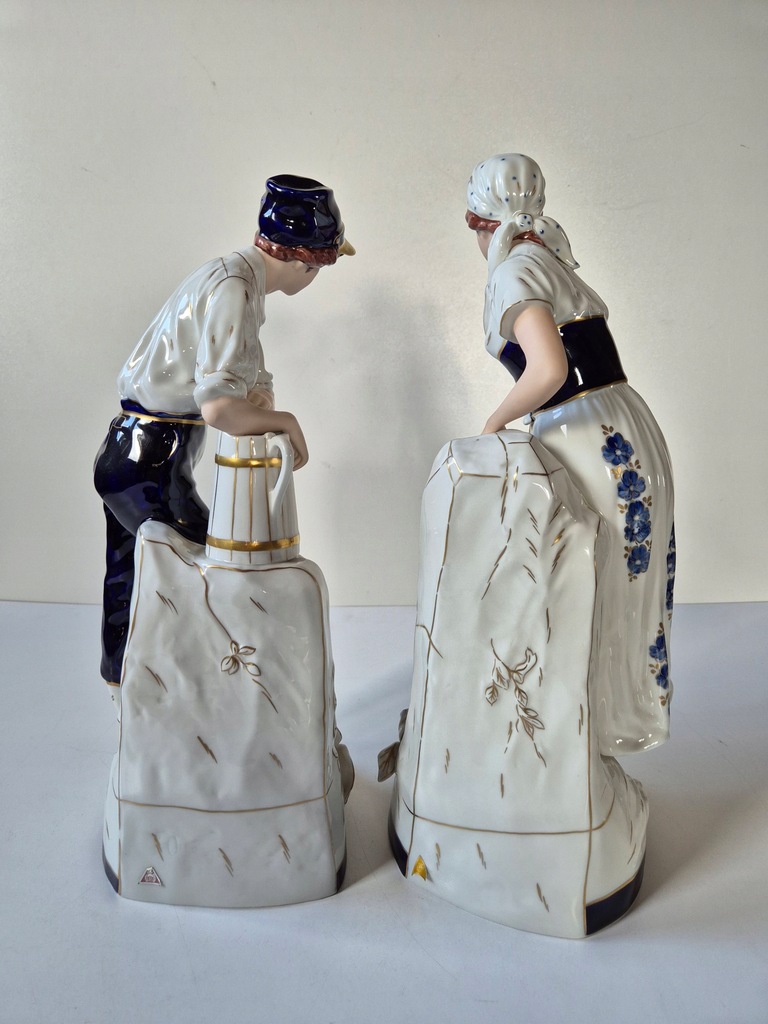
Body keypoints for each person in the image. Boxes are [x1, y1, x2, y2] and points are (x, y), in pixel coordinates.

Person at [94, 174, 354, 687]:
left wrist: (259, 397)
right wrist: (284, 421)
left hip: (130, 449)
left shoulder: (232, 276)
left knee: (132, 573)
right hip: (151, 459)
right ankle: (190, 689)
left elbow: (237, 385)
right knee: (205, 568)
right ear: (305, 260)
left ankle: (125, 684)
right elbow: (217, 409)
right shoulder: (235, 289)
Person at [466, 153, 674, 755]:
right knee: (617, 577)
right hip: (621, 421)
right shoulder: (551, 261)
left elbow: (549, 370)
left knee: (589, 578)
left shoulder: (516, 269)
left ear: (479, 220)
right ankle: (605, 718)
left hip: (586, 435)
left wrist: (494, 423)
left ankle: (585, 730)